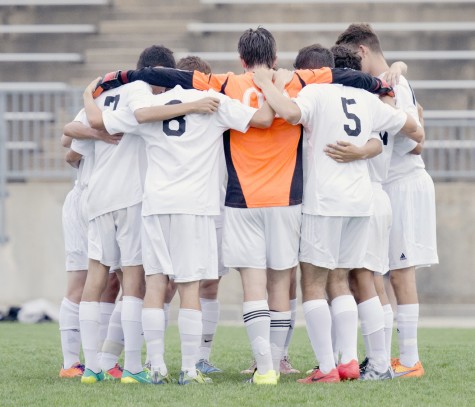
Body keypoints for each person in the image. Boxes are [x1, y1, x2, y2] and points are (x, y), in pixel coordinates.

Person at [92, 26, 394, 385]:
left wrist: (115, 79)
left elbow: (167, 78)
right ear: (276, 56)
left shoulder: (221, 85)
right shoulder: (298, 82)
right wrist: (385, 84)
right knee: (282, 284)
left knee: (239, 285)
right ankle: (278, 362)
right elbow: (335, 78)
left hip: (236, 199)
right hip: (288, 197)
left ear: (240, 59)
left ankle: (251, 367)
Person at [83, 60, 274, 384]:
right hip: (195, 206)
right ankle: (188, 369)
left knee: (155, 283)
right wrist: (270, 85)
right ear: (200, 78)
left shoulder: (152, 104)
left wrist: (89, 93)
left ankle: (155, 367)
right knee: (189, 287)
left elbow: (99, 122)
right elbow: (265, 119)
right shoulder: (214, 101)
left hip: (155, 204)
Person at [252, 62, 419, 384]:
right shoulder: (367, 99)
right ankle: (351, 362)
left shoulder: (316, 92)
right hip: (359, 201)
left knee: (313, 283)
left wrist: (266, 83)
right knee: (342, 280)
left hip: (325, 200)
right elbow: (412, 129)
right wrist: (370, 143)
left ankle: (327, 368)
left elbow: (287, 112)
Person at [336, 23, 439, 378]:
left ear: (362, 51)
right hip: (389, 184)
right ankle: (384, 357)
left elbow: (416, 142)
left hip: (403, 182)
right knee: (380, 273)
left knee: (400, 272)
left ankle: (410, 360)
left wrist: (399, 83)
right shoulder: (386, 80)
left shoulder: (395, 84)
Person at [59, 129, 121, 379]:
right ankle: (71, 362)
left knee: (114, 280)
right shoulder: (98, 104)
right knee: (81, 279)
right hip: (85, 198)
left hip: (114, 200)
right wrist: (99, 132)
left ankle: (104, 360)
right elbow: (67, 142)